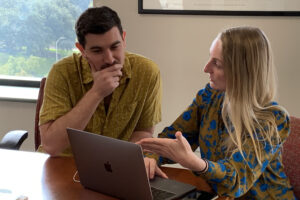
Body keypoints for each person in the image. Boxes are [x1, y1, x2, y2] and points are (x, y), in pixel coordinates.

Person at [137, 26, 296, 199]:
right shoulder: (208, 97)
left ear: (242, 72)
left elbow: (236, 181)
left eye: (217, 64)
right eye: (210, 58)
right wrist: (151, 157)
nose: (206, 68)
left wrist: (195, 163)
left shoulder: (273, 119)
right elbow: (171, 138)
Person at [39, 6, 162, 157]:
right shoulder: (61, 72)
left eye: (115, 47)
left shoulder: (147, 72)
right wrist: (96, 93)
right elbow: (51, 145)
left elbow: (143, 132)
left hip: (115, 166)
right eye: (97, 51)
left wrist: (117, 164)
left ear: (123, 39)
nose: (109, 59)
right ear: (82, 50)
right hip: (64, 164)